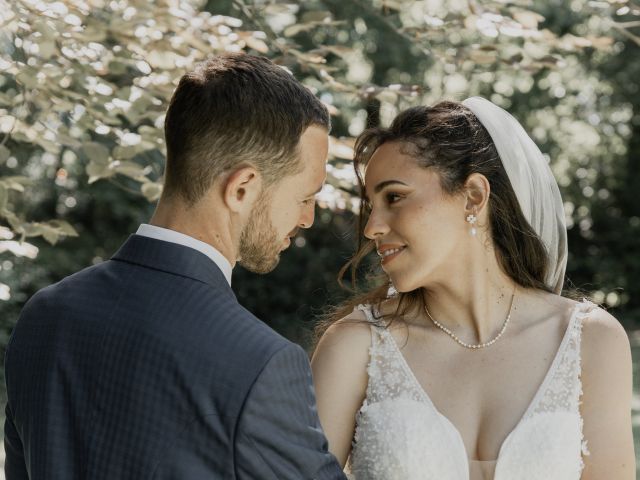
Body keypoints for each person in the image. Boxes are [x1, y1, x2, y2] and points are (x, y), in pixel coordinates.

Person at [4, 53, 346, 480]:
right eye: (305, 197)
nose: (307, 218)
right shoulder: (261, 363)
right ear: (242, 188)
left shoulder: (44, 316)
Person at [311, 98, 635, 480]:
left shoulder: (589, 340)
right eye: (372, 205)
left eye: (394, 197)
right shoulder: (354, 347)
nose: (371, 227)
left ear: (473, 197)